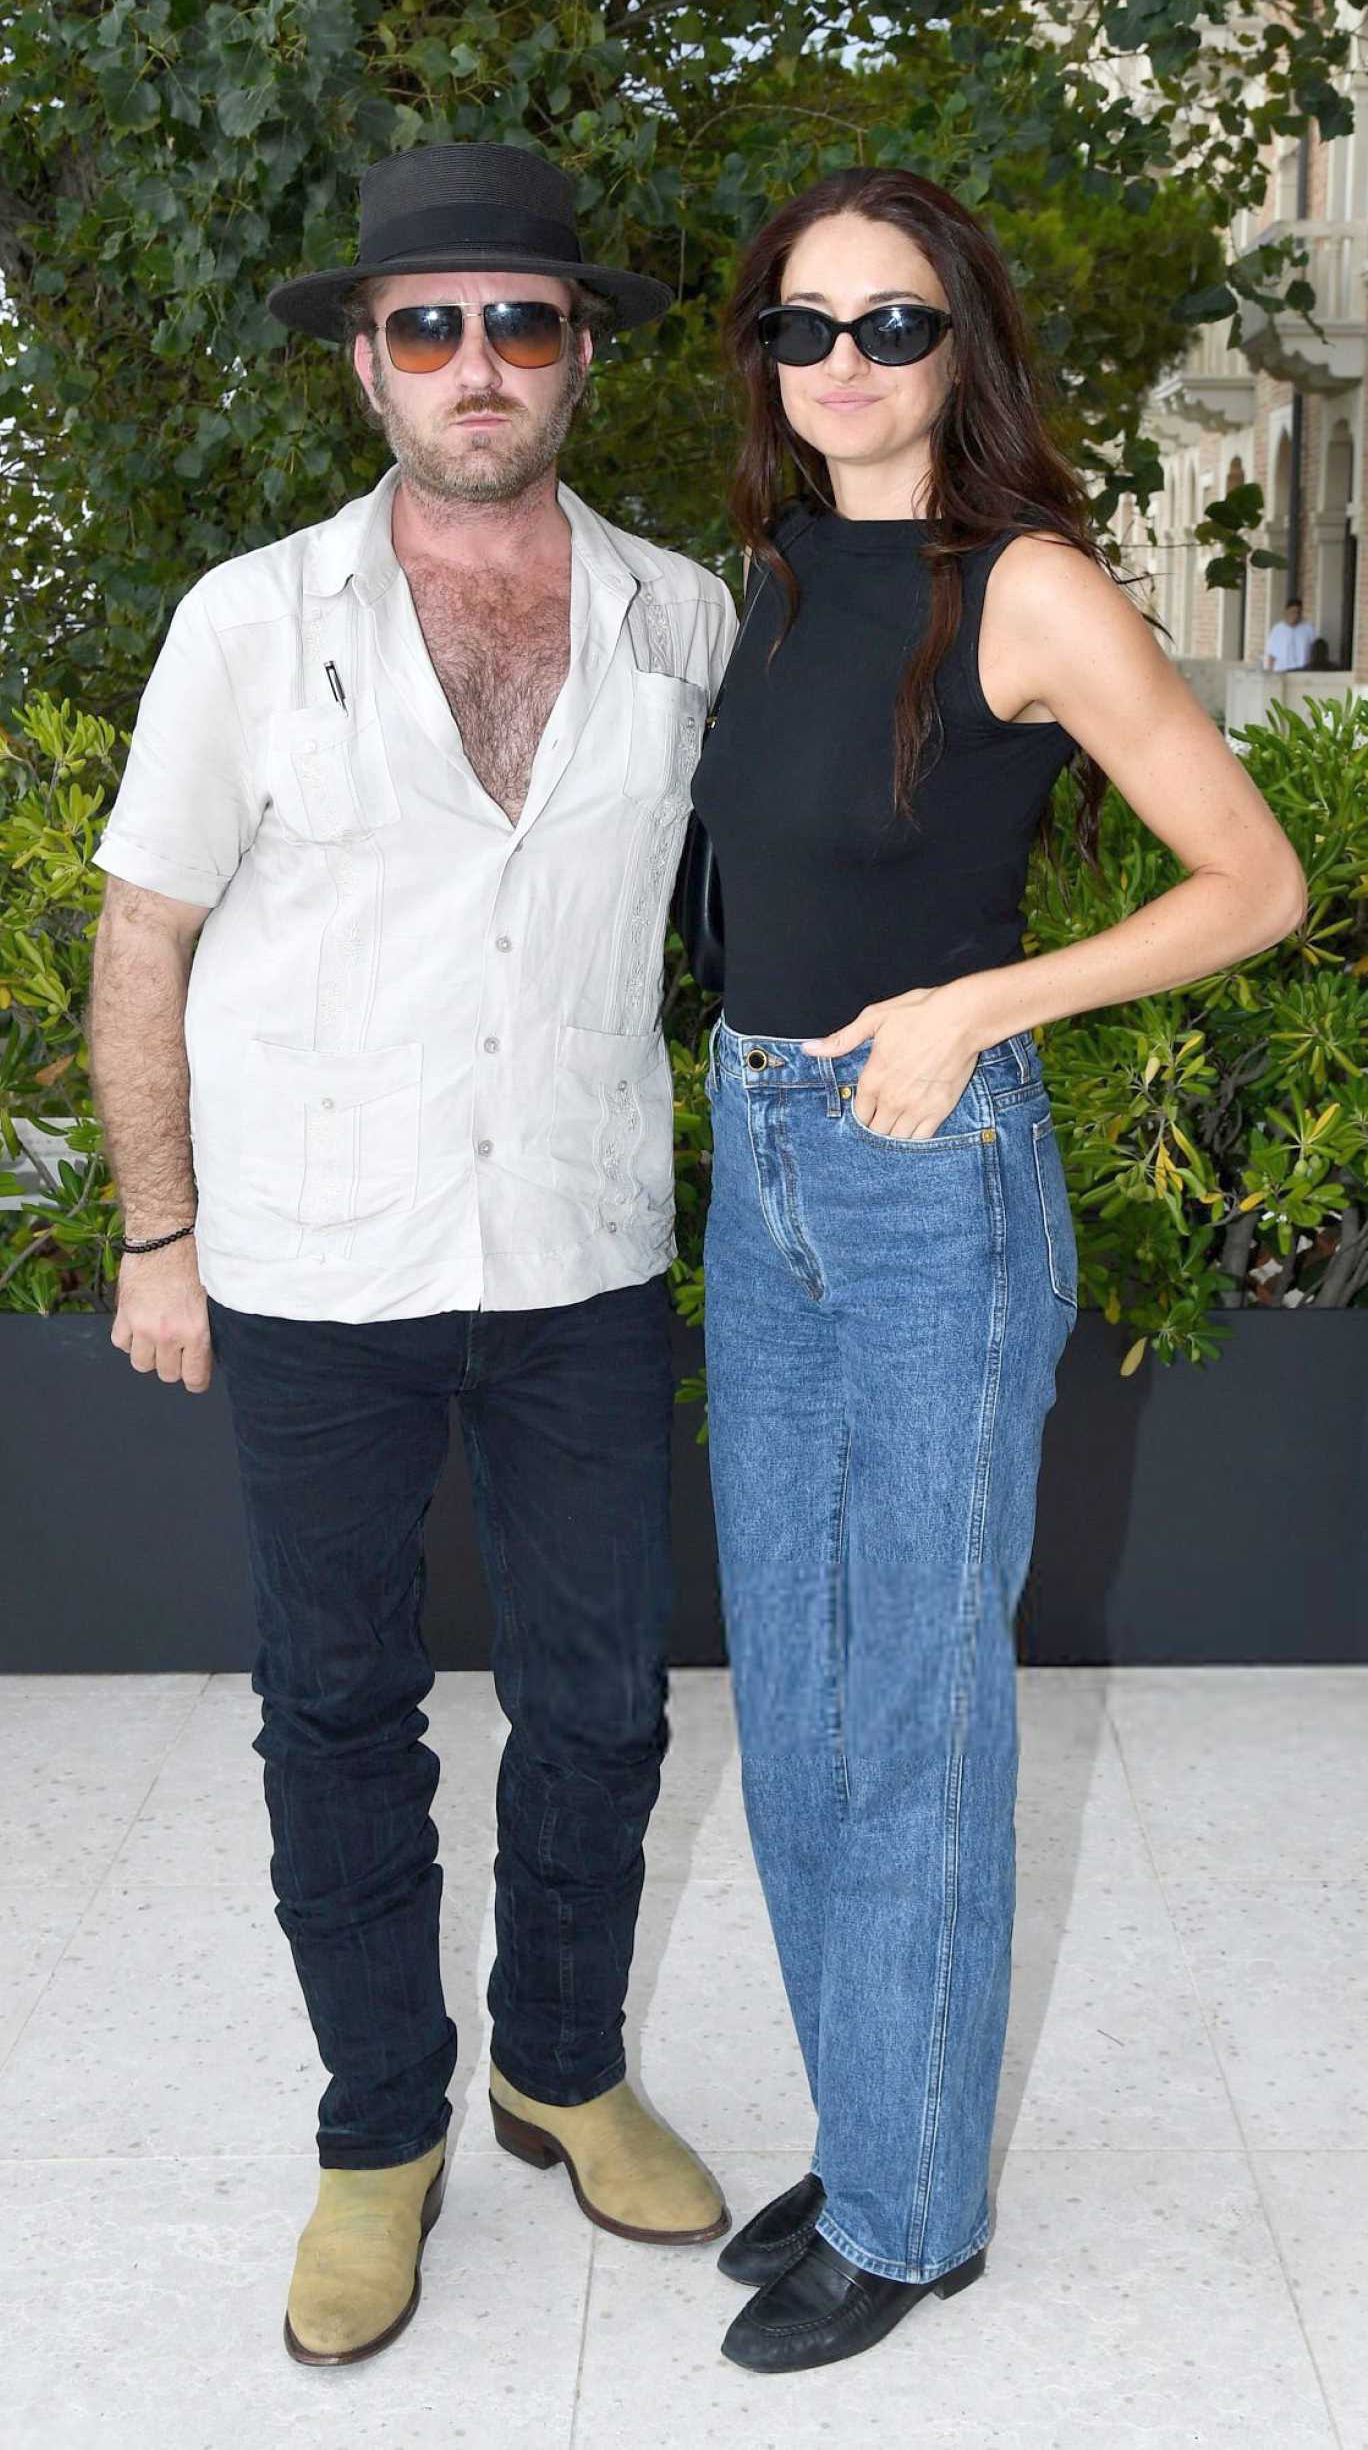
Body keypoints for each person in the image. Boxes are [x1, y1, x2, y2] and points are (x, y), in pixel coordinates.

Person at [85, 138, 736, 2370]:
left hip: (575, 1240)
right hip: (310, 1260)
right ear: (365, 362)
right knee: (336, 1705)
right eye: (430, 324)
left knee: (596, 1699)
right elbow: (141, 936)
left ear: (580, 355)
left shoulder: (681, 616)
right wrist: (157, 1233)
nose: (478, 364)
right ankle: (382, 2129)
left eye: (522, 321)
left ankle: (559, 2058)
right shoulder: (246, 624)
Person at [687, 165, 1307, 2377]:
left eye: (893, 323)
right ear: (764, 353)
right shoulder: (767, 579)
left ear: (968, 345)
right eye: (804, 324)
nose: (843, 364)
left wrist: (981, 1004)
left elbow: (1254, 882)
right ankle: (881, 2112)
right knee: (792, 1697)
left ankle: (914, 2209)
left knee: (907, 1714)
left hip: (924, 1177)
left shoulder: (1020, 587)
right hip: (759, 1166)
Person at [1263, 595, 1319, 670]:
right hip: (1282, 672)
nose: (1295, 615)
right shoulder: (1277, 630)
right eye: (1293, 612)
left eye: (1298, 612)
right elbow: (1271, 654)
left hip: (1302, 672)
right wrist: (1270, 673)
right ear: (1286, 611)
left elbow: (1315, 651)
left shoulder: (1308, 629)